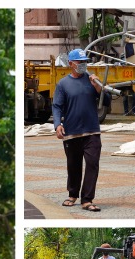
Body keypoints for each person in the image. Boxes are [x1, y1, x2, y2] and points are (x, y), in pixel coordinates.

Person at [53, 49, 106, 212]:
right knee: (73, 165)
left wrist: (98, 87)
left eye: (85, 62)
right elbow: (57, 106)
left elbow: (107, 100)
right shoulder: (63, 84)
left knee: (92, 164)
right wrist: (57, 125)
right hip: (72, 132)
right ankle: (73, 194)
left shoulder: (92, 80)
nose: (83, 65)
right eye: (80, 62)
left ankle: (87, 199)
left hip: (92, 131)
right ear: (71, 64)